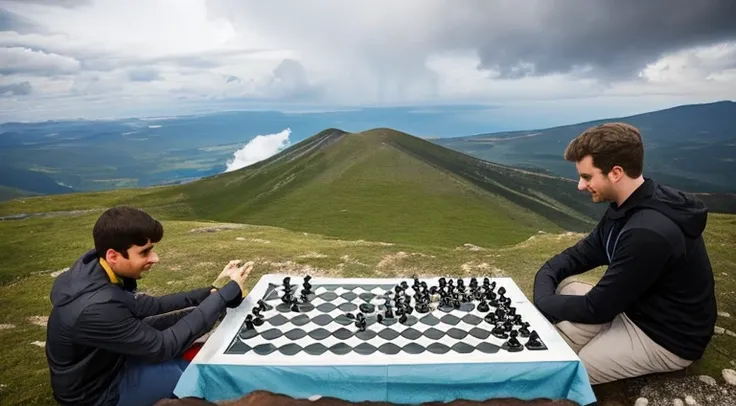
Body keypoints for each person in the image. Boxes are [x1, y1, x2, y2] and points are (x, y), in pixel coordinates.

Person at [532, 122, 717, 385]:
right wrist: (547, 283)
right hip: (631, 307)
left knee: (567, 374)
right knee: (567, 283)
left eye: (587, 177)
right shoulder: (628, 204)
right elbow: (578, 256)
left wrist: (541, 302)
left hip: (664, 336)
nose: (580, 186)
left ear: (616, 172)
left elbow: (596, 308)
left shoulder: (647, 232)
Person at [45, 206, 252, 406]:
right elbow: (163, 347)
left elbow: (152, 305)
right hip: (97, 393)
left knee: (185, 340)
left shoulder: (97, 269)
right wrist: (225, 295)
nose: (155, 258)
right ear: (113, 256)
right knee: (191, 380)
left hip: (108, 363)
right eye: (145, 252)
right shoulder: (96, 307)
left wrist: (211, 291)